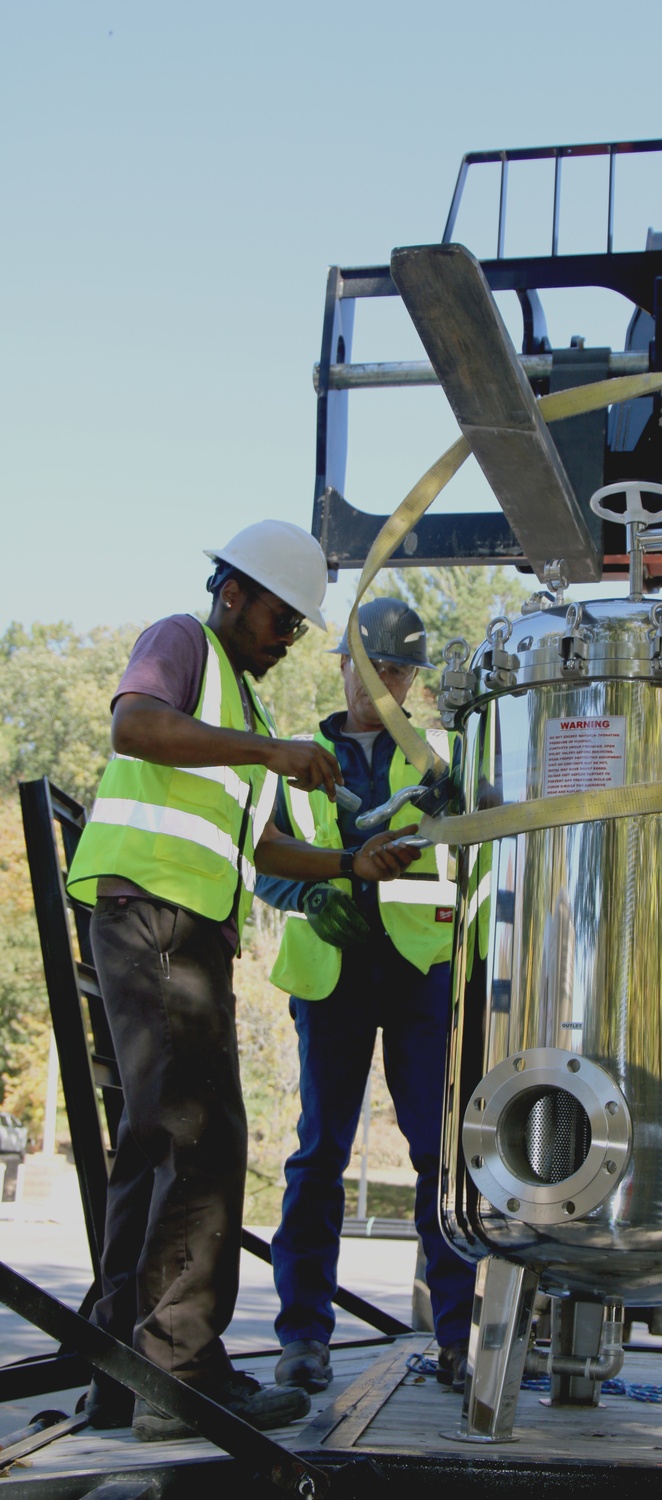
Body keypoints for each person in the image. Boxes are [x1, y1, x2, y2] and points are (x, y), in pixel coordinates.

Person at [66, 523, 420, 1441]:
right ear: (233, 592)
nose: (288, 636)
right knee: (205, 1139)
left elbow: (257, 845)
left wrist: (350, 864)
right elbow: (133, 724)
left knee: (156, 1142)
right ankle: (179, 1369)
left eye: (301, 627)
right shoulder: (183, 643)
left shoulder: (245, 715)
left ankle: (117, 1367)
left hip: (177, 926)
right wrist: (271, 756)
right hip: (154, 916)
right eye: (280, 616)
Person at [255, 597, 476, 1396]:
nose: (378, 680)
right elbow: (261, 858)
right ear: (342, 664)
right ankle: (302, 1340)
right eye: (366, 663)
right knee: (321, 1157)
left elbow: (480, 863)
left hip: (420, 974)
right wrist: (318, 891)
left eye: (394, 668)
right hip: (331, 974)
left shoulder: (444, 759)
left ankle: (457, 1338)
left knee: (436, 1157)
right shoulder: (292, 754)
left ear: (412, 677)